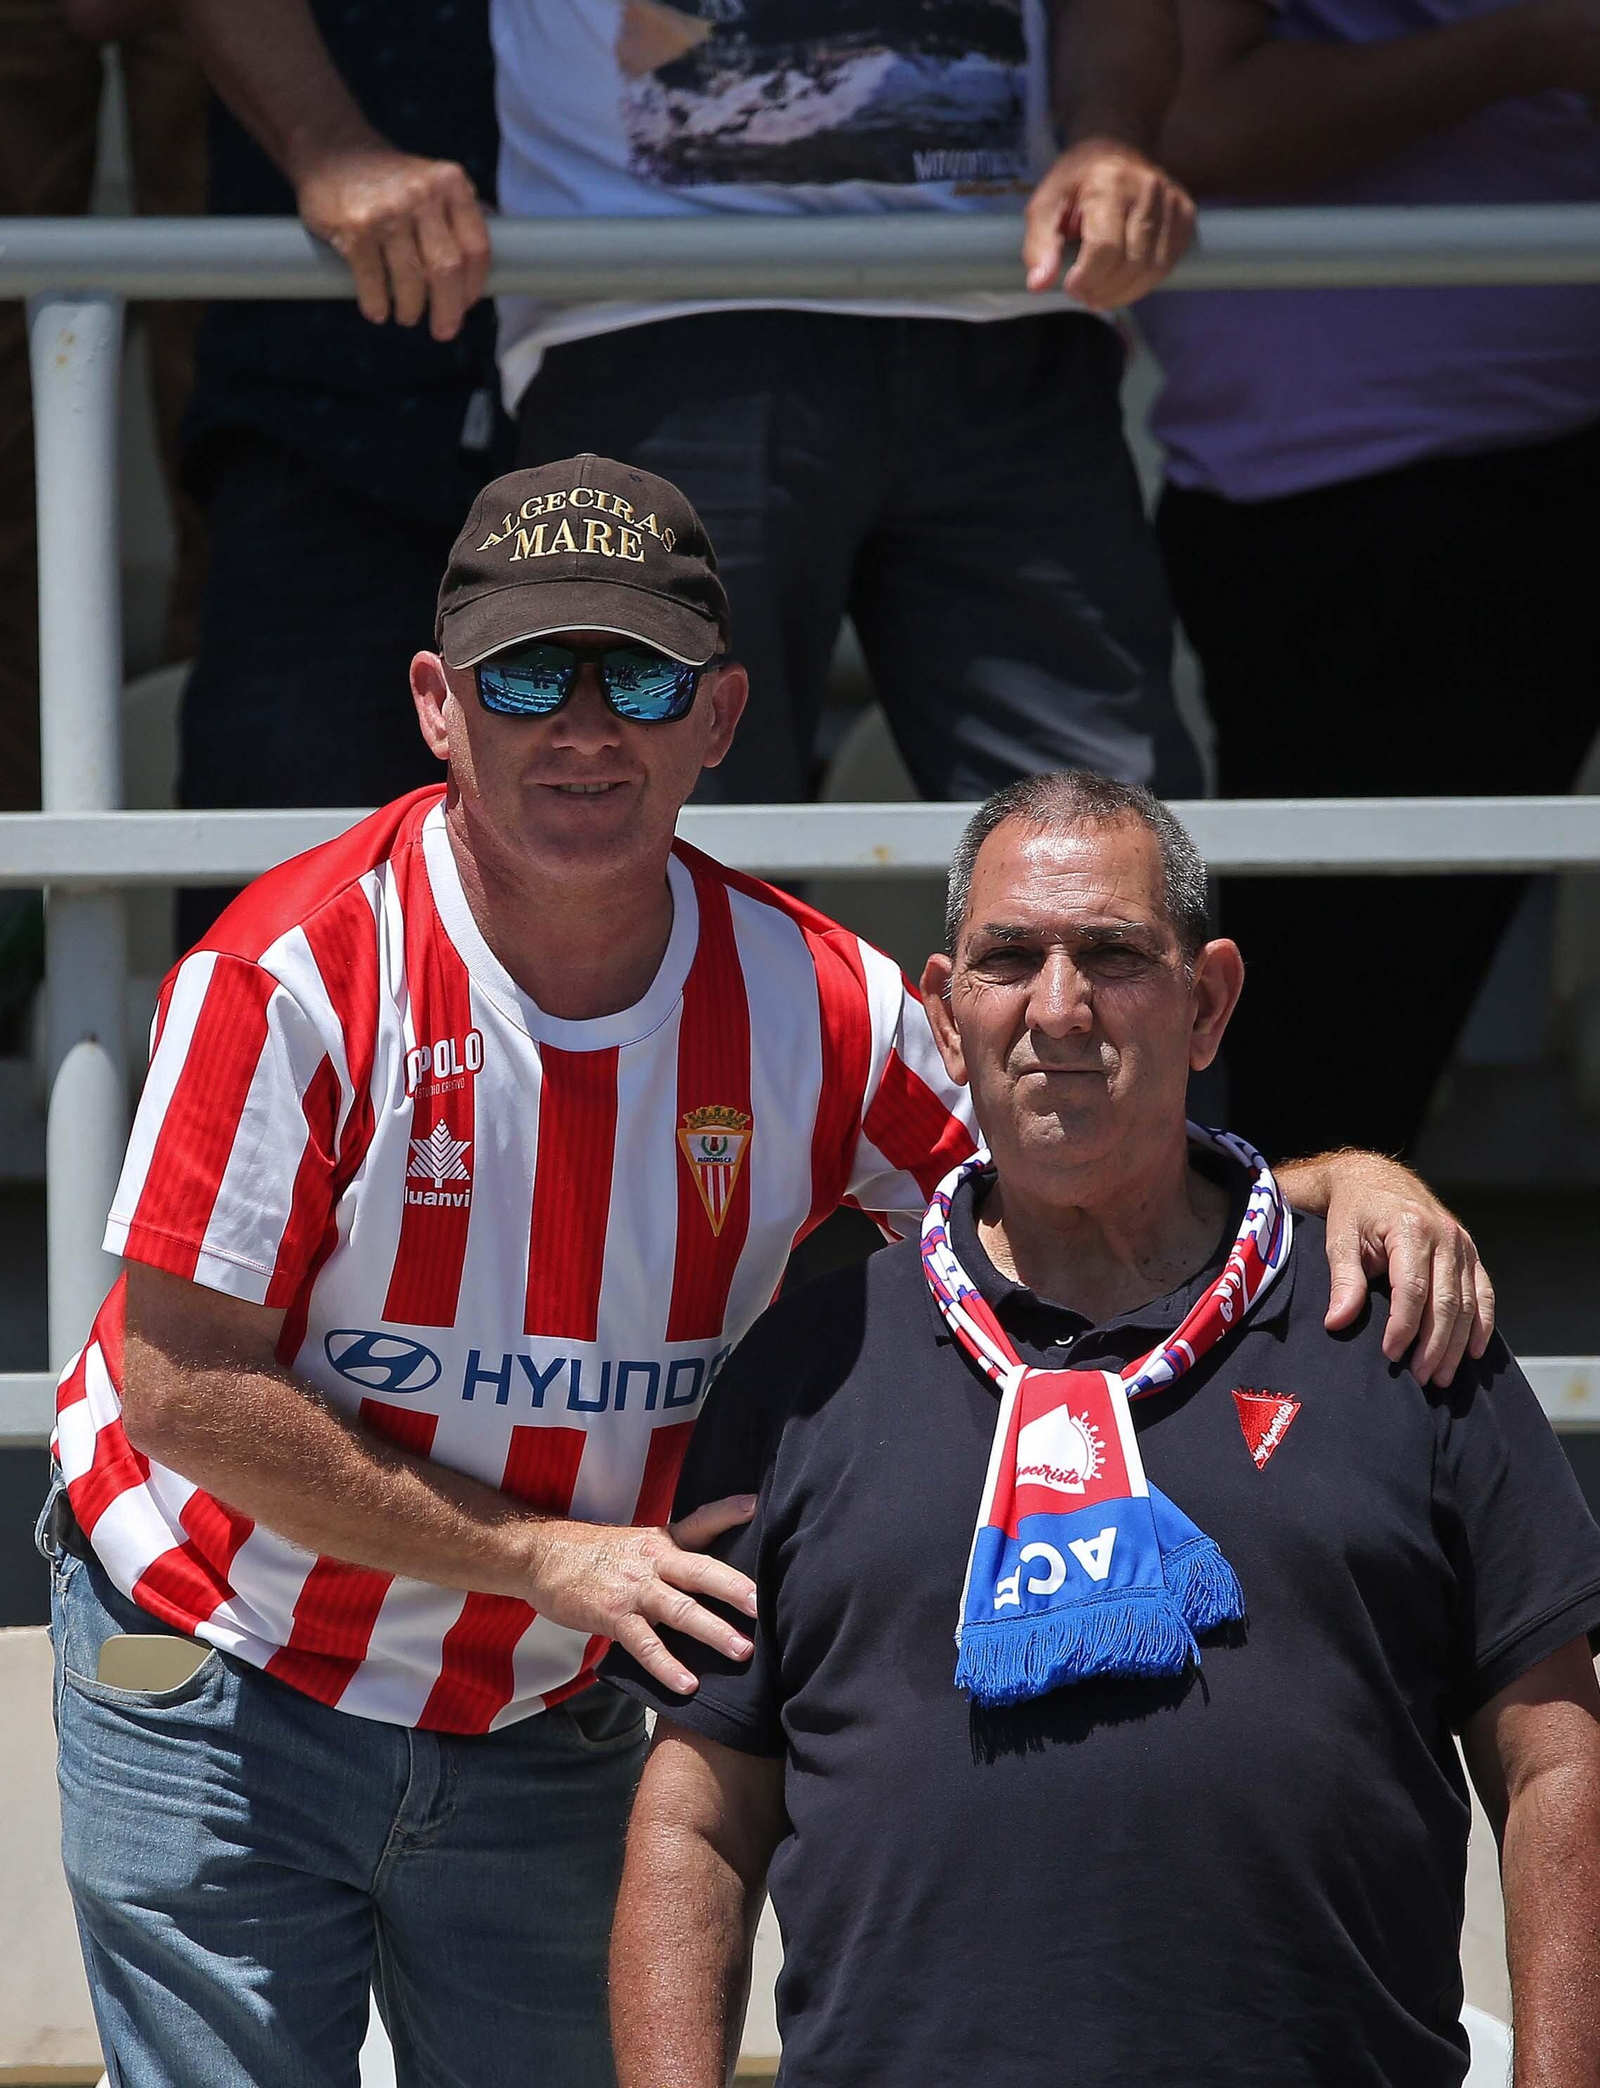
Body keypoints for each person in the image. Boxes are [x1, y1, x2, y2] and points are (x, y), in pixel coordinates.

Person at [45, 462, 1490, 2086]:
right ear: (440, 709)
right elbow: (176, 1384)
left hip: (548, 1708)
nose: (584, 722)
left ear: (722, 713)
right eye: (530, 675)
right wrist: (542, 1554)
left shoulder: (819, 1004)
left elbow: (1080, 1183)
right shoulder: (291, 975)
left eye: (640, 678)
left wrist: (1335, 1177)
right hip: (215, 1662)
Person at [607, 769, 1600, 2088]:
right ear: (946, 1018)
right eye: (1011, 959)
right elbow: (696, 1828)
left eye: (1115, 957)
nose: (1058, 1007)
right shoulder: (809, 1366)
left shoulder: (1399, 1329)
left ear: (1210, 1000)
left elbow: (1557, 1767)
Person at [497, 0, 1203, 804]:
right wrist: (334, 151)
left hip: (1012, 301)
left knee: (1104, 833)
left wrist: (1109, 139)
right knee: (655, 810)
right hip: (650, 304)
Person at [1133, 0, 1600, 1160]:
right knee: (1327, 1088)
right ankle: (1282, 1329)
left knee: (1332, 1068)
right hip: (1360, 488)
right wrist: (1531, 47)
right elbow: (1187, 114)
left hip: (1459, 478)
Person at [172, 0, 511, 946]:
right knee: (281, 928)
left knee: (628, 921)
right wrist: (328, 148)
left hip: (628, 381)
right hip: (330, 404)